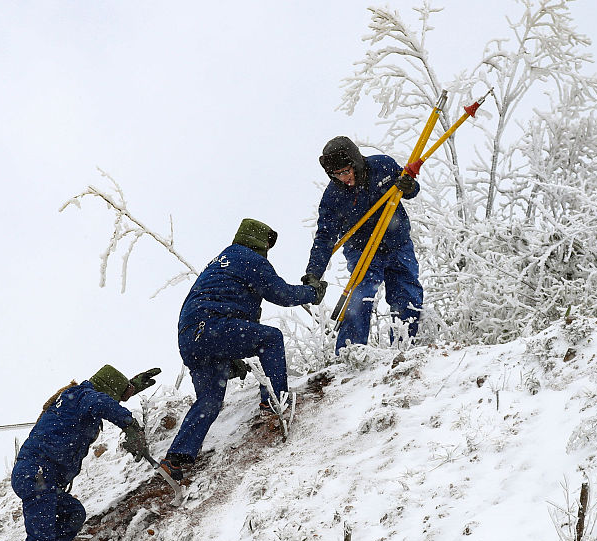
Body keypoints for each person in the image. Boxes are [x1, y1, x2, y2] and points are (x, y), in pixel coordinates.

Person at [160, 219, 326, 482]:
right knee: (271, 339)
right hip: (213, 325)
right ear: (260, 242)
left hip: (190, 336)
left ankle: (177, 459)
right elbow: (281, 294)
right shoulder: (249, 258)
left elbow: (228, 303)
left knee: (210, 400)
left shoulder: (222, 259)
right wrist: (311, 293)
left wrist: (228, 352)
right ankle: (273, 403)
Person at [0, 364, 160, 541]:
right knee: (38, 540)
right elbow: (103, 403)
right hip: (39, 475)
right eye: (116, 393)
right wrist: (130, 425)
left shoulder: (74, 397)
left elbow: (105, 399)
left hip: (39, 475)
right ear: (106, 390)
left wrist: (128, 388)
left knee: (73, 513)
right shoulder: (84, 396)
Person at [303, 135, 424, 352]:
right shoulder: (333, 198)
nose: (344, 178)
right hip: (363, 251)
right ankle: (350, 352)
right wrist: (314, 273)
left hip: (398, 244)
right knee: (361, 296)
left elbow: (410, 190)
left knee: (407, 294)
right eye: (336, 174)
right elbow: (324, 238)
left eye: (346, 171)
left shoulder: (383, 166)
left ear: (356, 163)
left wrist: (409, 186)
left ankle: (404, 347)